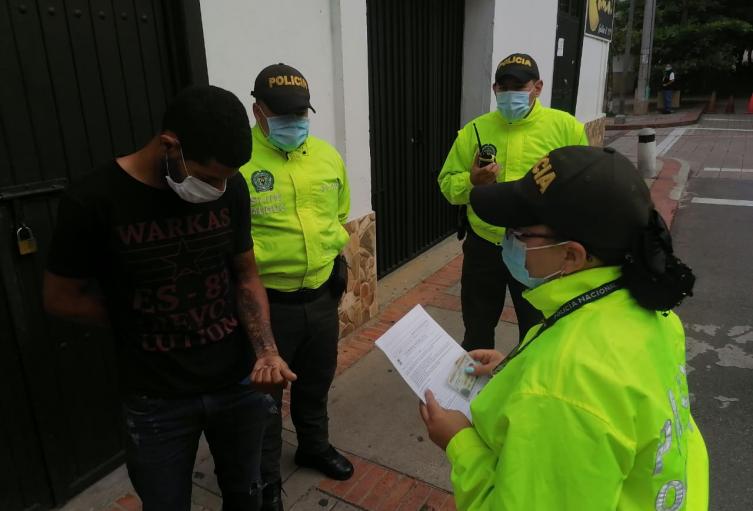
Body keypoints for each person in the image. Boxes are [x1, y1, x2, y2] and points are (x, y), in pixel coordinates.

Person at [43, 85, 296, 511]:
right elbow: (60, 298)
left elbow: (246, 275)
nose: (220, 187)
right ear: (169, 146)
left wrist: (266, 350)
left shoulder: (231, 188)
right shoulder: (92, 200)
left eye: (228, 177)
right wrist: (139, 316)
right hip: (155, 399)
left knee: (247, 495)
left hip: (236, 383)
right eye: (210, 177)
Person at [420, 145, 709, 510]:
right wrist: (516, 370)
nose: (508, 239)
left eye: (520, 232)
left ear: (572, 255)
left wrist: (459, 442)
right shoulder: (647, 311)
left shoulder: (564, 382)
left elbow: (569, 394)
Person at [240, 63, 353, 511]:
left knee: (316, 381)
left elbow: (338, 214)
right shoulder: (238, 163)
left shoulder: (327, 156)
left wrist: (334, 266)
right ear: (258, 112)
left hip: (321, 296)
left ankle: (314, 446)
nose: (294, 122)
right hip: (269, 304)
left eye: (301, 114)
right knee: (264, 400)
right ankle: (267, 481)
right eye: (283, 115)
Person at [438, 53, 589, 352]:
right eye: (503, 87)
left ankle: (526, 380)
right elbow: (447, 185)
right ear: (494, 89)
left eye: (519, 87)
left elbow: (583, 187)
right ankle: (476, 382)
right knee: (477, 330)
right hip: (484, 247)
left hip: (538, 249)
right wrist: (472, 182)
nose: (510, 94)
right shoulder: (474, 131)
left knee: (537, 333)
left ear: (538, 87)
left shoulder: (566, 128)